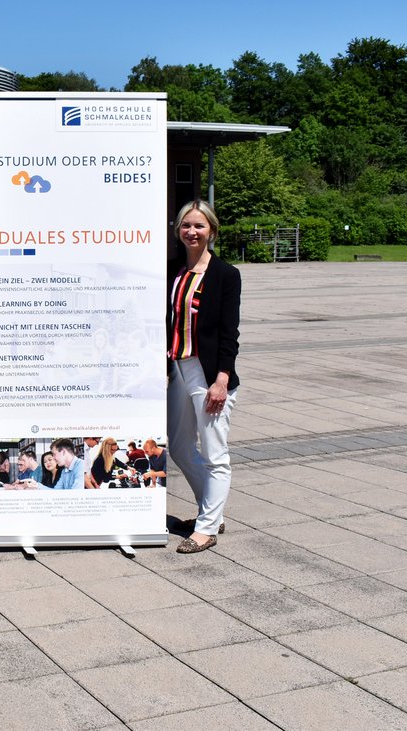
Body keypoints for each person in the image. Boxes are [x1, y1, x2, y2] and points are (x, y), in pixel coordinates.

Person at [167, 200, 240, 554]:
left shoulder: (226, 275)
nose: (192, 232)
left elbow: (230, 333)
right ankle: (212, 508)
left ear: (212, 230)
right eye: (186, 226)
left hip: (207, 372)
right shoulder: (174, 270)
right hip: (177, 369)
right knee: (179, 446)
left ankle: (207, 527)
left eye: (199, 226)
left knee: (215, 453)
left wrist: (221, 379)